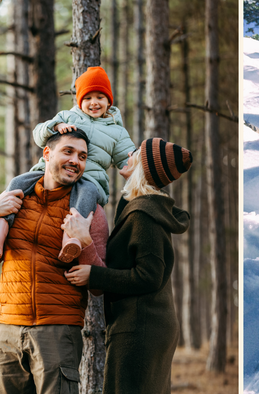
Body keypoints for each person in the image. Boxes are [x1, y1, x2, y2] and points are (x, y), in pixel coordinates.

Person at [0, 129, 109, 393]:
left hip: (58, 332)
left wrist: (84, 240)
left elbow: (98, 284)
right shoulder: (15, 199)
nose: (76, 161)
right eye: (68, 152)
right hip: (8, 330)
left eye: (82, 156)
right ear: (47, 154)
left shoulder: (91, 212)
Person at [64, 138, 192, 394]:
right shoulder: (141, 207)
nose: (128, 154)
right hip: (145, 324)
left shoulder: (144, 215)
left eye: (136, 153)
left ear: (144, 167)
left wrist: (95, 275)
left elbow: (149, 276)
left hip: (141, 328)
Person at [0, 66, 134, 263]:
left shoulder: (117, 132)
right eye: (87, 98)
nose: (94, 103)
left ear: (109, 101)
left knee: (83, 201)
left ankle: (71, 241)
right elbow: (38, 133)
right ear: (79, 100)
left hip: (90, 180)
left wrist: (133, 164)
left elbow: (127, 156)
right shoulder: (69, 116)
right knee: (18, 182)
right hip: (45, 172)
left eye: (100, 97)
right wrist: (55, 126)